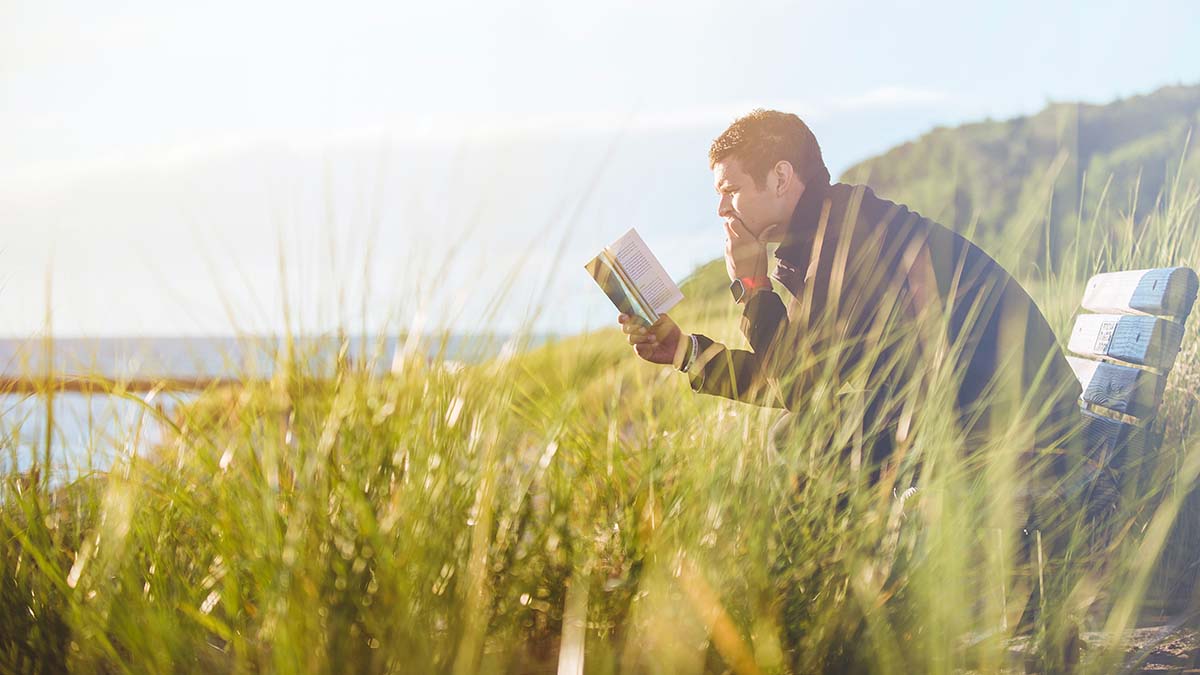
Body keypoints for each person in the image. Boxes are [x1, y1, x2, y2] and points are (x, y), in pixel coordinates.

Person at [617, 108, 1085, 501]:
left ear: (781, 177)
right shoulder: (827, 234)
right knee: (803, 432)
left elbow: (798, 387)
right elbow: (800, 380)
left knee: (801, 437)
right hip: (988, 420)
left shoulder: (851, 240)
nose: (722, 210)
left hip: (1025, 438)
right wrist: (684, 351)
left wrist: (756, 285)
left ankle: (861, 596)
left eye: (729, 190)